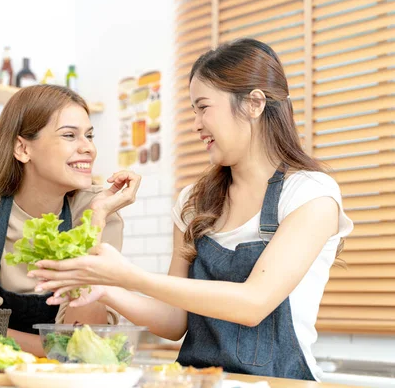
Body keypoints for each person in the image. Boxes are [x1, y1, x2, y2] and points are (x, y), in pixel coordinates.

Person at [28, 39, 354, 380]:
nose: (196, 123)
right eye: (193, 110)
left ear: (255, 103)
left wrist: (127, 276)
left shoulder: (309, 194)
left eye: (203, 107)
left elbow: (253, 303)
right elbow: (173, 321)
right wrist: (108, 289)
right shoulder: (194, 202)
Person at [0, 84, 140, 356]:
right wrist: (60, 349)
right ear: (22, 148)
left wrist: (96, 221)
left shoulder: (97, 210)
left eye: (90, 136)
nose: (88, 148)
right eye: (70, 135)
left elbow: (90, 336)